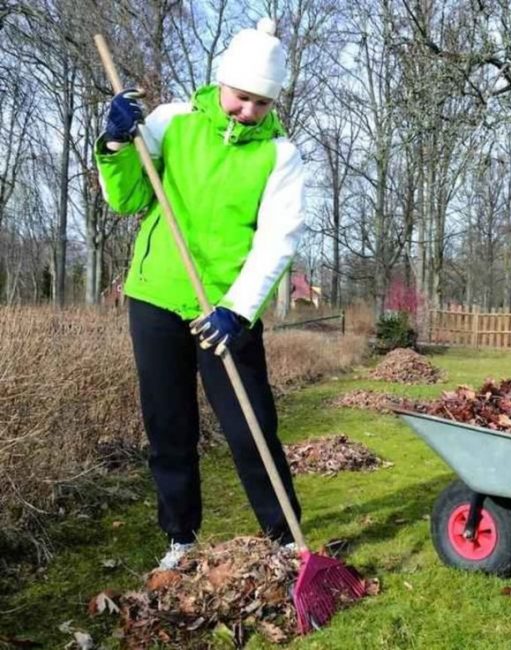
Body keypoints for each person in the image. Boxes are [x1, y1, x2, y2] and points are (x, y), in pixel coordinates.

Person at [95, 17, 304, 570]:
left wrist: (238, 309)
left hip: (226, 309)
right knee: (169, 425)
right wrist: (116, 143)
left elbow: (277, 242)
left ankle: (285, 538)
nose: (248, 110)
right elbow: (128, 198)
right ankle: (180, 536)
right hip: (158, 296)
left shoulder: (279, 155)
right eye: (241, 96)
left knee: (250, 425)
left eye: (262, 102)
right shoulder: (173, 122)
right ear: (222, 81)